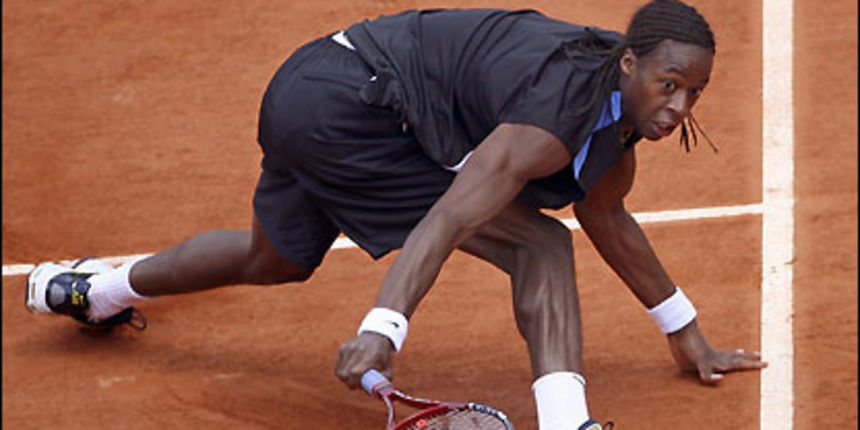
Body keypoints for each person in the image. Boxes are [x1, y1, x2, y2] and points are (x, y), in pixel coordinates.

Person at [25, 1, 768, 429]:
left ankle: (90, 290)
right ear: (632, 65)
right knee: (539, 244)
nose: (678, 107)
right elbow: (449, 215)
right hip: (355, 111)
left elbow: (608, 214)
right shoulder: (551, 116)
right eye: (670, 85)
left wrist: (687, 335)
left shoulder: (611, 102)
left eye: (693, 94)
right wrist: (383, 329)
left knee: (273, 259)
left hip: (308, 88)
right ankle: (569, 423)